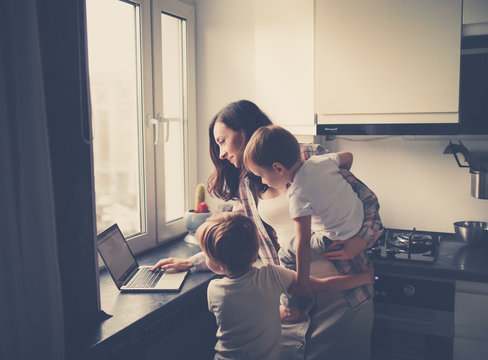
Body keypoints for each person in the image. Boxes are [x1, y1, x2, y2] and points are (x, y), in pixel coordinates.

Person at [153, 99, 383, 359]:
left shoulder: (308, 158)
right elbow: (237, 240)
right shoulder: (246, 186)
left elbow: (367, 201)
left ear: (243, 131)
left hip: (344, 292)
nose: (220, 154)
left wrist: (361, 242)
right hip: (291, 295)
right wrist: (193, 262)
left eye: (222, 141)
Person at [197, 212, 374, 360]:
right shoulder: (272, 275)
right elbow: (323, 285)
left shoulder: (215, 290)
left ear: (220, 265)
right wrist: (366, 278)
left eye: (205, 254)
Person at [243, 124, 373, 323]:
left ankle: (292, 306)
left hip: (332, 238)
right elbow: (348, 157)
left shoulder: (297, 195)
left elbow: (303, 243)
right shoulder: (319, 162)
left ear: (278, 168)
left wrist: (302, 282)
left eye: (261, 175)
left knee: (286, 254)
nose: (264, 182)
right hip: (355, 223)